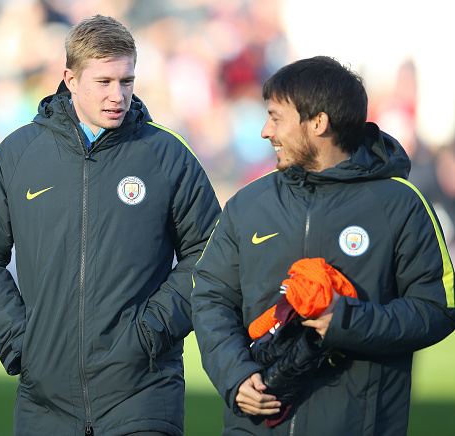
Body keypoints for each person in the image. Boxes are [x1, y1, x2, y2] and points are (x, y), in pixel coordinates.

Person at [0, 14, 220, 436]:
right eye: (104, 82)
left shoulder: (166, 155)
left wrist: (152, 332)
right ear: (70, 78)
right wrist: (19, 342)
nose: (119, 95)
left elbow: (212, 252)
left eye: (127, 81)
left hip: (144, 393)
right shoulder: (19, 153)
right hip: (45, 401)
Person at [191, 55, 455, 435]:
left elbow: (438, 307)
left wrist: (347, 321)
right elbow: (210, 297)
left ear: (318, 122)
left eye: (276, 118)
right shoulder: (248, 204)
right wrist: (235, 375)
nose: (266, 131)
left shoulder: (402, 204)